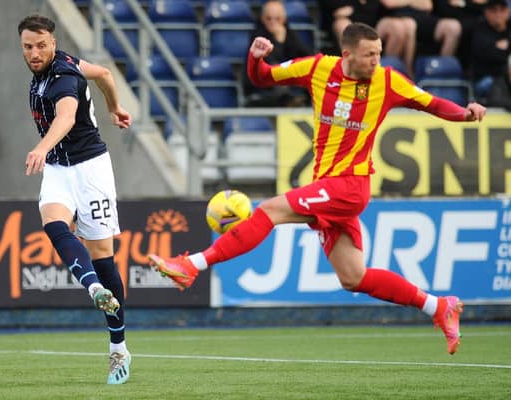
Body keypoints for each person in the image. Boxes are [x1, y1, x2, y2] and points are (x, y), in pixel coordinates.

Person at [149, 22, 487, 355]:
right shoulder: (318, 69)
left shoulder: (388, 82)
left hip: (350, 185)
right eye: (369, 55)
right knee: (353, 277)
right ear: (347, 54)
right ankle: (438, 306)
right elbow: (263, 77)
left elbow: (431, 103)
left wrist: (466, 114)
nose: (377, 61)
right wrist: (255, 58)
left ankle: (192, 264)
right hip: (328, 185)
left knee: (268, 210)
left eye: (379, 54)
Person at [18, 15, 132, 384]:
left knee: (103, 257)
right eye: (27, 46)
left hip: (91, 170)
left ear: (54, 42)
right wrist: (114, 107)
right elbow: (106, 75)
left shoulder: (64, 78)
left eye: (40, 45)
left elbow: (66, 117)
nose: (34, 53)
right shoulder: (68, 62)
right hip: (59, 169)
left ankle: (118, 348)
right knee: (52, 222)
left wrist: (40, 146)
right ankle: (93, 289)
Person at [242, 0, 312, 107]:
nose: (273, 22)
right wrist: (279, 42)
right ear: (262, 19)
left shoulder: (290, 34)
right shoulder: (257, 37)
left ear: (284, 19)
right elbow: (269, 65)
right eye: (268, 18)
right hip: (262, 88)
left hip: (288, 85)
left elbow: (306, 57)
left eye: (277, 18)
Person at [327, 0, 415, 75]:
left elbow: (388, 8)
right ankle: (353, 69)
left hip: (373, 30)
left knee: (397, 26)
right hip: (351, 32)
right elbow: (336, 12)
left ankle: (388, 71)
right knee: (342, 24)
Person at [381, 0, 462, 76]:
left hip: (423, 19)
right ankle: (407, 72)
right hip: (397, 17)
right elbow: (389, 3)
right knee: (409, 25)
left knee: (453, 27)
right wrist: (414, 2)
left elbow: (427, 6)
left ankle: (443, 71)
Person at [471, 0, 511, 109]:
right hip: (485, 79)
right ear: (486, 13)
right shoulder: (480, 30)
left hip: (505, 79)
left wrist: (504, 47)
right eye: (493, 10)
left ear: (508, 11)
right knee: (492, 82)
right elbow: (492, 55)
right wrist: (505, 52)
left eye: (501, 10)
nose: (498, 14)